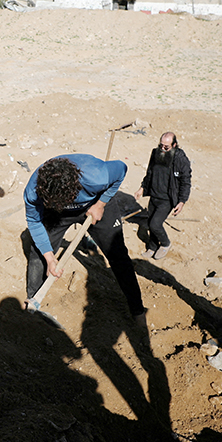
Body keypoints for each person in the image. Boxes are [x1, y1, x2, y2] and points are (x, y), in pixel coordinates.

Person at [24, 155, 147, 324]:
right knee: (38, 251)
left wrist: (101, 204)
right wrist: (49, 257)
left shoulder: (96, 176)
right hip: (57, 212)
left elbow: (121, 169)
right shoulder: (34, 191)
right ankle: (34, 300)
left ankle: (138, 311)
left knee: (118, 255)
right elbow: (34, 221)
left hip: (94, 204)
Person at [134, 131, 191, 260]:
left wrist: (181, 201)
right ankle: (152, 247)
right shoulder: (155, 153)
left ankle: (165, 244)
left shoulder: (181, 159)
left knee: (155, 224)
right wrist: (142, 188)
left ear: (174, 145)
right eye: (161, 146)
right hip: (154, 195)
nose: (163, 149)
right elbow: (149, 173)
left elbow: (185, 182)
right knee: (150, 222)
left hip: (167, 199)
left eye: (166, 147)